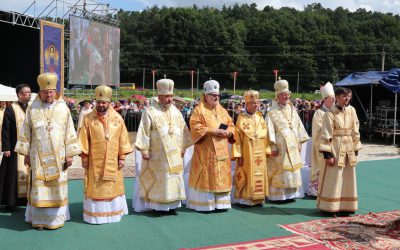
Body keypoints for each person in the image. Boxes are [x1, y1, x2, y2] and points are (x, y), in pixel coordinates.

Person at [15, 73, 81, 230]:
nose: (49, 94)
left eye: (51, 91)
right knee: (40, 188)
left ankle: (55, 220)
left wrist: (70, 154)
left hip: (59, 157)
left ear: (55, 91)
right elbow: (26, 132)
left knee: (56, 187)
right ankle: (39, 220)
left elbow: (69, 132)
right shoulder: (33, 109)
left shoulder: (63, 108)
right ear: (40, 92)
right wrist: (25, 154)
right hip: (38, 157)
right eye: (45, 92)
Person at [134, 79, 192, 214]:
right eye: (167, 96)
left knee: (173, 177)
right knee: (160, 180)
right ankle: (157, 206)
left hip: (175, 154)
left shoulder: (176, 111)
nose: (170, 99)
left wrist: (183, 148)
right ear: (159, 96)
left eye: (171, 96)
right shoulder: (150, 111)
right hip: (157, 155)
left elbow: (184, 130)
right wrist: (144, 150)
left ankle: (172, 205)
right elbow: (144, 130)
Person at [79, 85, 133, 224]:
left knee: (112, 185)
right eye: (99, 102)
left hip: (113, 160)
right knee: (96, 187)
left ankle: (113, 214)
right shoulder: (88, 118)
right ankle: (96, 215)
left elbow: (123, 138)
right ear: (95, 102)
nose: (101, 105)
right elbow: (83, 139)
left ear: (109, 103)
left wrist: (122, 156)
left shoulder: (118, 118)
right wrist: (84, 157)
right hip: (94, 161)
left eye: (104, 102)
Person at [187, 80, 235, 212]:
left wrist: (229, 132)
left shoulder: (223, 111)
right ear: (206, 96)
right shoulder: (199, 110)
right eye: (213, 95)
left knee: (220, 177)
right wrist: (213, 131)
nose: (216, 97)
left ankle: (221, 204)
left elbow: (231, 125)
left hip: (222, 151)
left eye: (217, 95)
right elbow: (195, 127)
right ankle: (205, 205)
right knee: (208, 177)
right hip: (206, 151)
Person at [317, 87, 362, 217]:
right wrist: (328, 155)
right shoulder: (330, 113)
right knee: (335, 177)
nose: (347, 98)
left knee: (348, 177)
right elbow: (326, 134)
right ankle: (330, 206)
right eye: (344, 96)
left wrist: (355, 149)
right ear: (336, 97)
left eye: (349, 96)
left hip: (349, 148)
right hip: (335, 148)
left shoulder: (352, 110)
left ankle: (346, 206)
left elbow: (355, 129)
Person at [267, 78, 309, 201]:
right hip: (280, 147)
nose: (286, 96)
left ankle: (292, 195)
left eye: (287, 94)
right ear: (277, 96)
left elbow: (298, 126)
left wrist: (300, 142)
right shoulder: (271, 112)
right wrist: (273, 147)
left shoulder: (292, 109)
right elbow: (269, 131)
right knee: (281, 170)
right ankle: (279, 196)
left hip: (293, 144)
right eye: (283, 94)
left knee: (293, 170)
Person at [232, 90, 272, 206]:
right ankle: (245, 199)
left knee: (259, 174)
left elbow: (266, 136)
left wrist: (267, 150)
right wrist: (238, 154)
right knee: (246, 174)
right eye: (254, 103)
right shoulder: (241, 118)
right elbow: (237, 138)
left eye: (258, 103)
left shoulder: (260, 118)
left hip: (260, 152)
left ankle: (258, 199)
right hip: (247, 153)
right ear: (247, 104)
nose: (256, 105)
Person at [0, 85, 31, 210]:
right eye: (26, 93)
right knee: (12, 175)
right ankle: (11, 201)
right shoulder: (11, 108)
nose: (29, 95)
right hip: (14, 148)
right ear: (19, 94)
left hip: (29, 148)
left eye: (29, 92)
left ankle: (27, 199)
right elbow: (5, 130)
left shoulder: (32, 108)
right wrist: (6, 147)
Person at [308, 82, 335, 197]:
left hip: (334, 144)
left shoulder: (335, 111)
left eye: (334, 99)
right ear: (324, 99)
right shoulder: (319, 113)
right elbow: (318, 131)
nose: (333, 101)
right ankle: (318, 191)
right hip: (323, 145)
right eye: (330, 99)